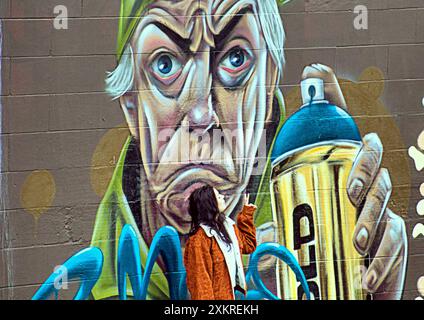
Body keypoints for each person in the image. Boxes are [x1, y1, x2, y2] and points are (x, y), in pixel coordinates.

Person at [88, 0, 407, 300]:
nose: (201, 114)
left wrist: (361, 285)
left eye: (235, 58)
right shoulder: (105, 273)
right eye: (165, 63)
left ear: (268, 89)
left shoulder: (303, 217)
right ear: (131, 105)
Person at [184, 185, 257, 300]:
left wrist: (246, 215)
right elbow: (201, 285)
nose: (223, 197)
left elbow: (249, 246)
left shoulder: (228, 227)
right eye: (218, 196)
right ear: (210, 204)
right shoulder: (199, 240)